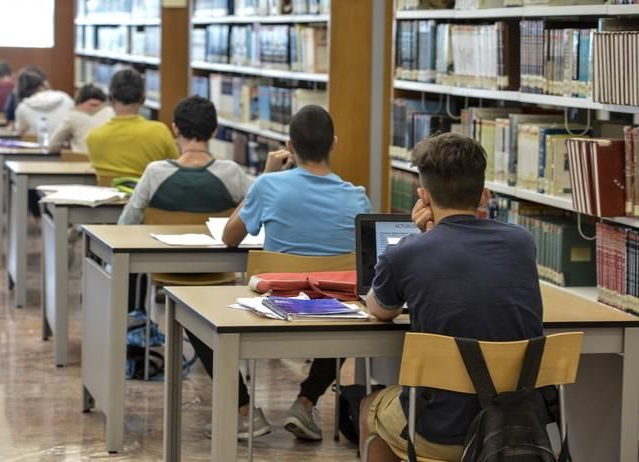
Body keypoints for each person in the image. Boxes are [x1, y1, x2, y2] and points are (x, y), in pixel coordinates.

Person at [185, 105, 371, 441]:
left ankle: (243, 410)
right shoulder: (357, 198)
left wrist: (264, 178)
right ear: (334, 144)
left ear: (289, 144)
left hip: (274, 306)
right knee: (353, 305)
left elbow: (230, 238)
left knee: (192, 316)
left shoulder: (269, 187)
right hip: (333, 312)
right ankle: (306, 401)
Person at [359, 133, 544, 462]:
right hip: (515, 427)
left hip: (440, 429)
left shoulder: (406, 253)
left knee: (368, 406)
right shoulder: (522, 242)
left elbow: (380, 310)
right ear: (484, 195)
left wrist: (421, 238)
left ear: (423, 196)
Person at [118, 94, 252, 224]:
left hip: (161, 246)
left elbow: (127, 222)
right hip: (215, 246)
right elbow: (256, 214)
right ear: (214, 132)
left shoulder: (154, 173)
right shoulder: (232, 172)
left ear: (175, 128)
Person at [86, 68, 178, 179]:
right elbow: (176, 169)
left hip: (110, 195)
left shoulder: (93, 137)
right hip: (148, 196)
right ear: (143, 99)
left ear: (110, 99)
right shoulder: (159, 131)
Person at [49, 84, 114, 153]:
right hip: (109, 161)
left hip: (81, 161)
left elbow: (52, 146)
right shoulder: (113, 112)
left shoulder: (73, 115)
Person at [14, 67, 74, 135]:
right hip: (67, 144)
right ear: (44, 84)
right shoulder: (65, 97)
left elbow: (20, 133)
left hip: (38, 144)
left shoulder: (23, 107)